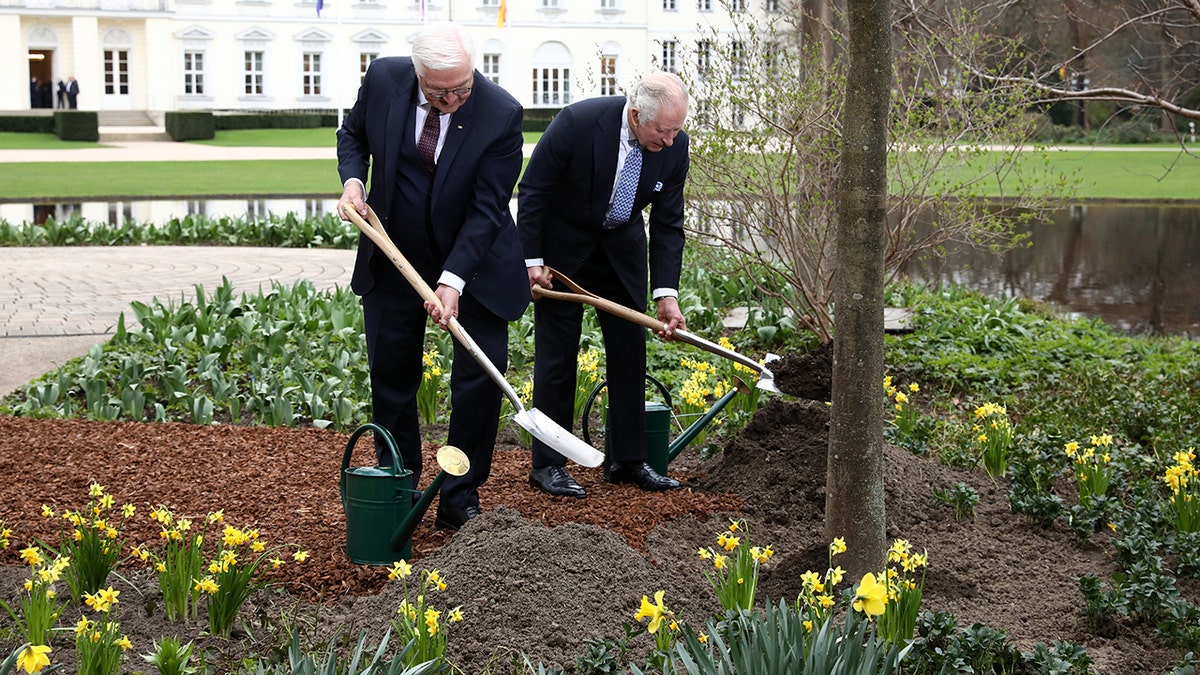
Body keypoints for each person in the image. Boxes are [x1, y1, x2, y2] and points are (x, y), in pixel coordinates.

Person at [336, 22, 528, 531]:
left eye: (463, 86)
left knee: (477, 383)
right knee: (392, 374)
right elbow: (352, 134)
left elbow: (488, 210)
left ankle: (459, 495)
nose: (455, 99)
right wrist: (354, 182)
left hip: (476, 264)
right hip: (393, 250)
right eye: (442, 91)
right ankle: (398, 479)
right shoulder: (382, 80)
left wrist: (453, 280)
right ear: (418, 73)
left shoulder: (501, 113)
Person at [518, 72, 690, 498]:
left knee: (630, 351)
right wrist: (532, 261)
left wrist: (666, 293)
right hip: (564, 252)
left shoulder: (674, 146)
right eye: (663, 130)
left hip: (621, 250)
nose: (670, 141)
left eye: (677, 130)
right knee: (557, 356)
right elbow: (534, 190)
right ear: (635, 115)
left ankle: (628, 460)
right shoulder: (577, 122)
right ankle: (548, 464)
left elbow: (668, 224)